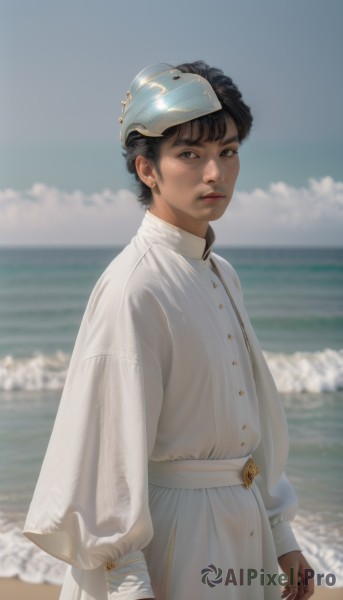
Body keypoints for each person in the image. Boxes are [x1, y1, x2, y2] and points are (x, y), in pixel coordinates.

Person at [24, 61, 314, 600]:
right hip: (177, 547)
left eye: (228, 152)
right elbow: (106, 460)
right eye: (190, 154)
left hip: (242, 534)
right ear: (147, 169)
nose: (215, 174)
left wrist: (280, 535)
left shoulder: (221, 272)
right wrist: (131, 586)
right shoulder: (134, 288)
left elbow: (250, 429)